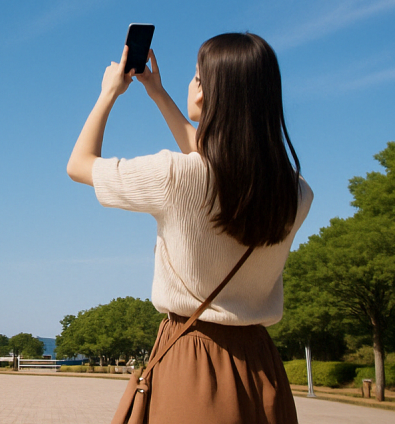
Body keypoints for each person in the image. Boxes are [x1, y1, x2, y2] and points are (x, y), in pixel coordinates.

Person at [67, 33, 313, 424]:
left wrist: (109, 92)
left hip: (194, 359)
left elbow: (79, 164)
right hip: (262, 366)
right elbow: (221, 164)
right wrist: (158, 93)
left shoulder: (175, 176)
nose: (191, 84)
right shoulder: (297, 193)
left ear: (208, 93)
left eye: (196, 77)